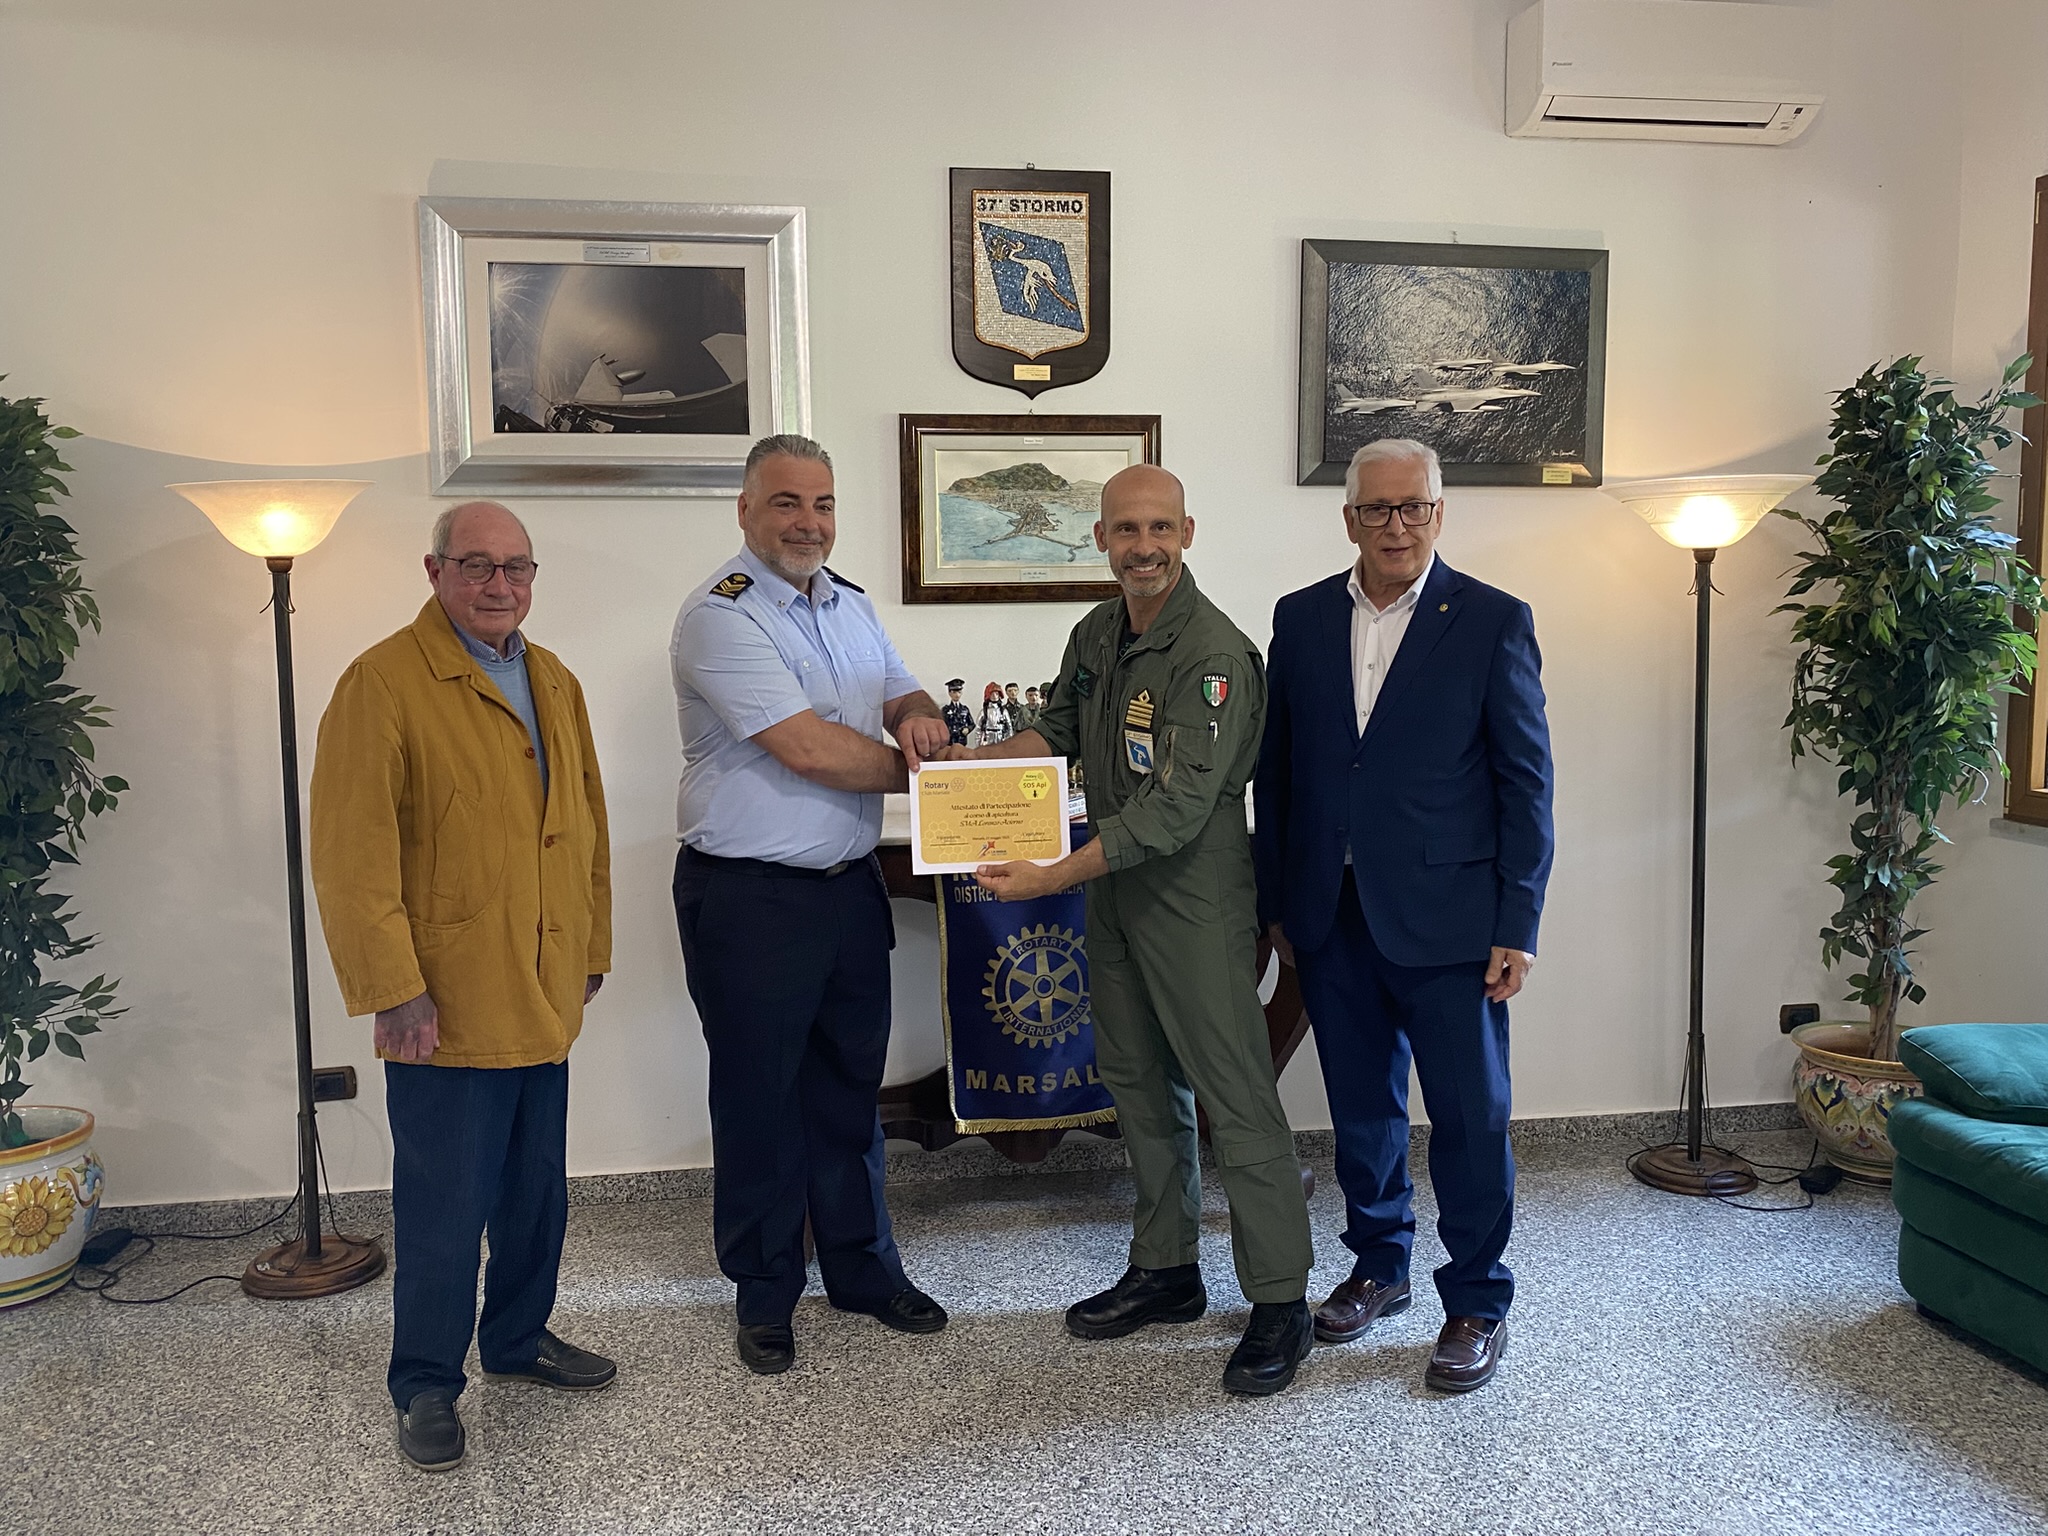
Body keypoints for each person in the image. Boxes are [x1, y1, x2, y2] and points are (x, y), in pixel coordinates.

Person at [938, 464, 1316, 1397]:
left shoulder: (1213, 654)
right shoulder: (1099, 631)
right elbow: (1057, 729)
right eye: (1125, 530)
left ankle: (1280, 1300)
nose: (1143, 548)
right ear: (1101, 537)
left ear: (1187, 532)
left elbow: (1175, 811)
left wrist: (1051, 876)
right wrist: (966, 776)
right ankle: (1167, 1268)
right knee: (1140, 1087)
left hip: (1192, 898)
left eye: (1159, 528)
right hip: (1114, 896)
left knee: (1235, 1096)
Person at [309, 500, 615, 1472]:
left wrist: (592, 948)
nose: (499, 585)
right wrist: (392, 988)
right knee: (444, 1210)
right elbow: (350, 858)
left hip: (542, 986)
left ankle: (517, 1340)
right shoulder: (382, 683)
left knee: (535, 1195)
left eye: (516, 567)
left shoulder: (554, 679)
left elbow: (587, 826)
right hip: (443, 1003)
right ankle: (426, 1384)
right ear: (433, 571)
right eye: (476, 565)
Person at [1253, 438, 1554, 1395]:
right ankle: (1379, 1265)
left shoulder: (1493, 619)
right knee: (1362, 1108)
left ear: (1438, 512)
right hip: (1330, 915)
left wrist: (1518, 921)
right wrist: (1275, 902)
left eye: (1413, 507)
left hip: (1453, 921)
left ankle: (1477, 1299)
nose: (1396, 525)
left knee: (1470, 1116)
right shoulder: (1300, 618)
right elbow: (1279, 774)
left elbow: (1526, 783)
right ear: (1349, 519)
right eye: (1377, 509)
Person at [670, 433, 953, 1376]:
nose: (809, 522)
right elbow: (809, 749)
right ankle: (764, 1292)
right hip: (752, 898)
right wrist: (946, 780)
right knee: (760, 1100)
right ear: (746, 511)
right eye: (787, 503)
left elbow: (899, 689)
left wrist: (920, 718)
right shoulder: (721, 616)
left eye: (823, 504)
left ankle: (865, 1271)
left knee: (847, 1091)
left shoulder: (850, 604)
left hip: (846, 889)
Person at [942, 679, 974, 746]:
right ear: (949, 693)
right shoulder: (945, 710)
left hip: (962, 740)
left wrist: (968, 729)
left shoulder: (965, 709)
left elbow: (972, 724)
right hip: (950, 741)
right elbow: (942, 724)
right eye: (954, 692)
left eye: (959, 692)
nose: (957, 695)